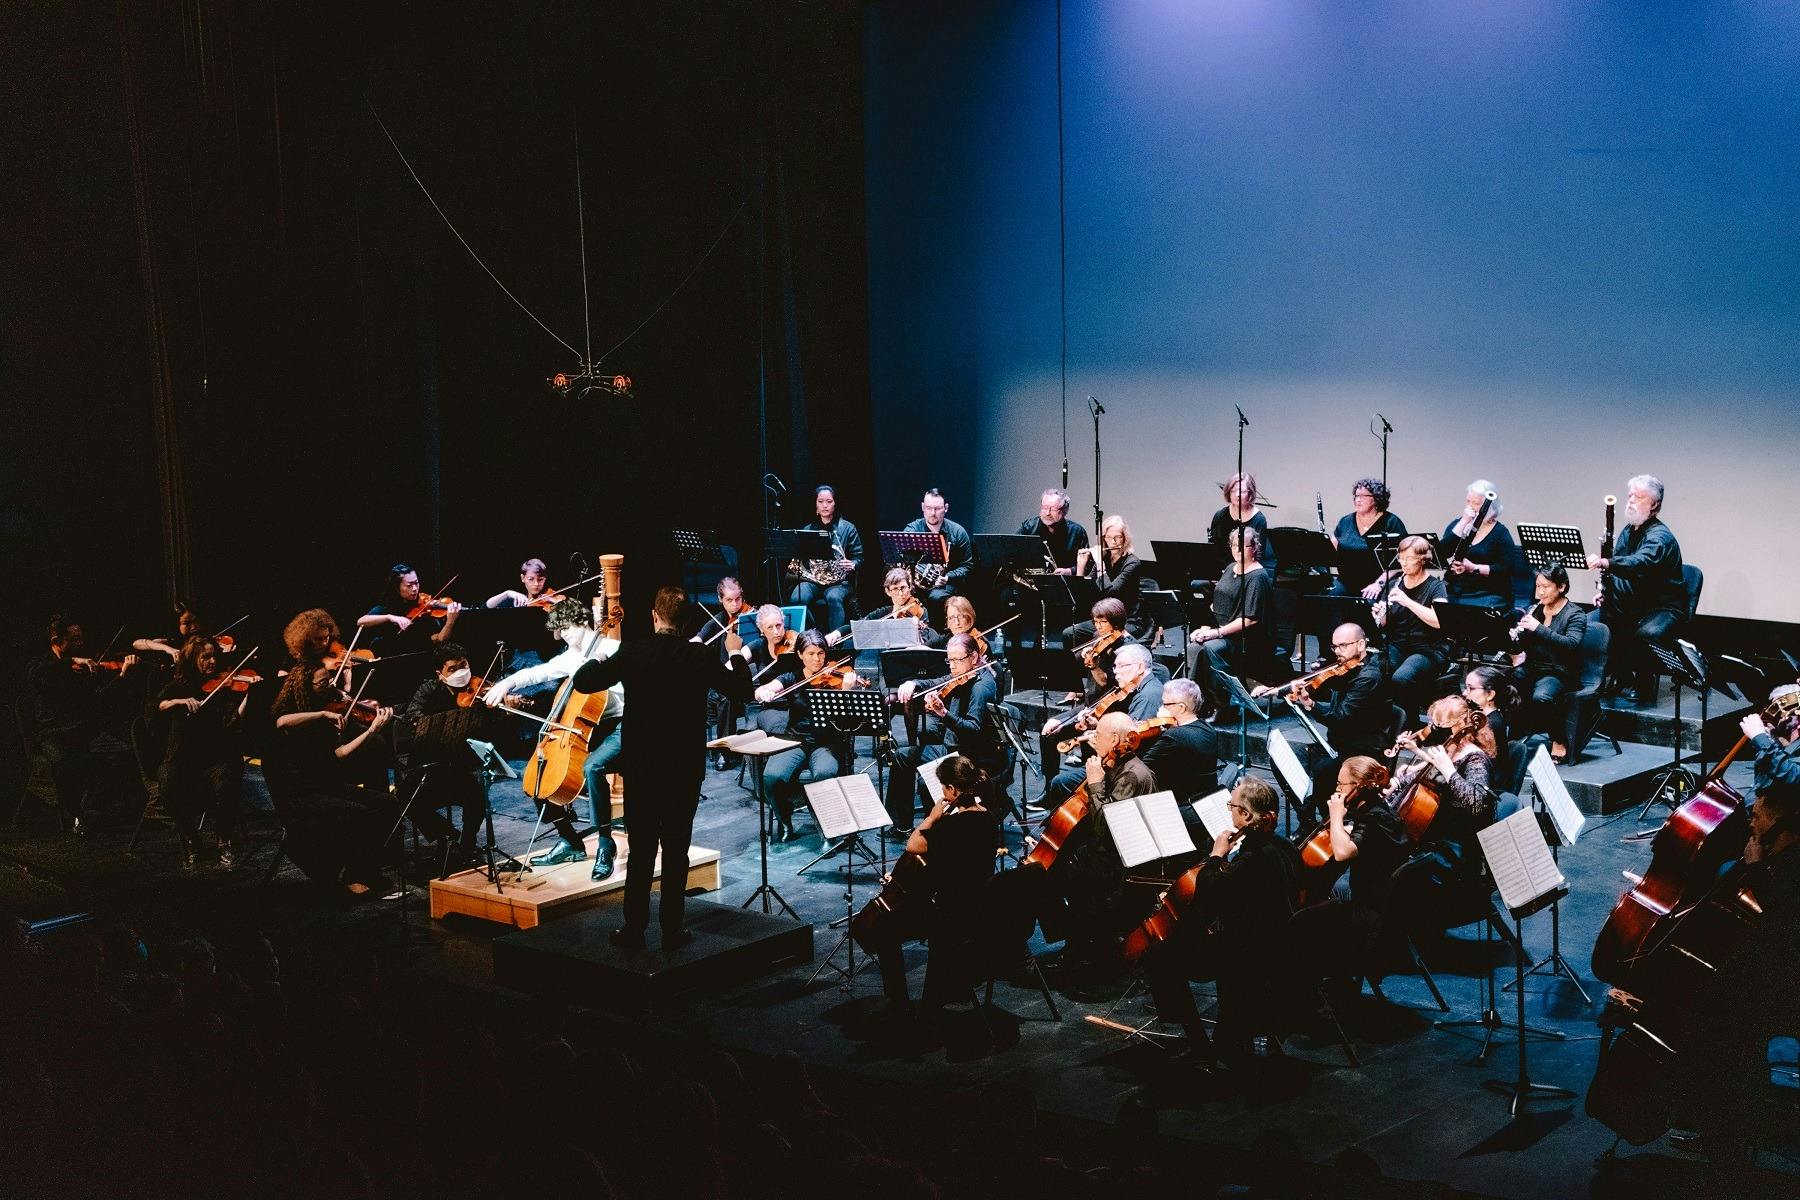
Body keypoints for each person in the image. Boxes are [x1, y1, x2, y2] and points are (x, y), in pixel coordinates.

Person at [568, 585, 753, 951]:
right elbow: (742, 690)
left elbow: (583, 681)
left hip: (642, 767)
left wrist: (600, 655)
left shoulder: (633, 651)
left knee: (641, 850)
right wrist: (735, 652)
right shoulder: (699, 656)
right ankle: (672, 930)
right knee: (676, 848)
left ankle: (634, 929)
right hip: (683, 768)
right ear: (686, 622)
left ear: (654, 616)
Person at [1139, 775, 1302, 1067]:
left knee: (1159, 955)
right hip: (1278, 942)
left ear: (1247, 815)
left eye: (1232, 806)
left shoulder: (1253, 858)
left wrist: (1215, 856)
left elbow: (1212, 892)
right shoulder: (1283, 846)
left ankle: (1199, 1043)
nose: (1229, 810)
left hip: (1247, 954)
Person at [481, 598, 623, 880]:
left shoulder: (611, 649)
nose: (562, 635)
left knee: (593, 767)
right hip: (586, 727)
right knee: (540, 769)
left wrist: (597, 665)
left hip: (619, 725)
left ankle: (606, 843)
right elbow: (539, 672)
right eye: (559, 630)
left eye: (566, 628)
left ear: (583, 622)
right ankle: (569, 840)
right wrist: (506, 683)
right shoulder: (571, 656)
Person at [864, 755, 999, 1018]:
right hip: (980, 908)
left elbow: (913, 845)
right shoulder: (988, 818)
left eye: (943, 788)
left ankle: (899, 1004)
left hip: (950, 916)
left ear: (953, 789)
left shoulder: (951, 825)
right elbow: (951, 865)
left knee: (885, 929)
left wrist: (931, 817)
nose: (942, 794)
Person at [265, 659, 400, 898]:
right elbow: (281, 722)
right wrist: (322, 714)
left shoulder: (330, 710)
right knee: (356, 813)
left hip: (326, 784)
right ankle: (351, 877)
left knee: (386, 803)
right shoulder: (292, 711)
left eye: (329, 680)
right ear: (305, 686)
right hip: (299, 793)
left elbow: (339, 754)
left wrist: (371, 732)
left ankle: (362, 871)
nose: (330, 686)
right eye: (323, 683)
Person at [1285, 757, 1406, 993]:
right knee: (1323, 888)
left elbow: (1342, 853)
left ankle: (1314, 982)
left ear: (1359, 787)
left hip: (1371, 909)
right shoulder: (1377, 809)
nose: (1337, 789)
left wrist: (1337, 817)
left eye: (1341, 784)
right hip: (1383, 898)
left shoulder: (1373, 817)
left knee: (1300, 921)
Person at [1382, 695, 1497, 942]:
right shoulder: (1450, 747)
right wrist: (1396, 783)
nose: (1434, 732)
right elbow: (1426, 777)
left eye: (1441, 727)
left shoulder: (1475, 758)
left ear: (1460, 726)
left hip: (1454, 848)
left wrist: (1448, 769)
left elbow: (1476, 804)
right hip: (1435, 832)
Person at [1257, 623, 1391, 823]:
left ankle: (1326, 822)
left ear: (1361, 644)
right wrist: (1277, 690)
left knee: (1323, 770)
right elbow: (1319, 684)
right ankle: (1309, 817)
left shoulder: (1369, 677)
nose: (1337, 651)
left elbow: (1340, 717)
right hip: (1340, 743)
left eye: (1343, 646)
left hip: (1361, 749)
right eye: (1334, 646)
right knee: (1281, 761)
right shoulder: (1348, 668)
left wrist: (1310, 705)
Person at [21, 616, 141, 837]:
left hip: (84, 731)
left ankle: (90, 807)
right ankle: (75, 814)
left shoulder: (83, 669)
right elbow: (35, 674)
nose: (80, 644)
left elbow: (99, 700)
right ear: (56, 641)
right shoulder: (42, 665)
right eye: (74, 640)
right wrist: (71, 661)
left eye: (80, 639)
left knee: (125, 754)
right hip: (53, 734)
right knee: (65, 761)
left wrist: (122, 675)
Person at [884, 634, 1004, 833]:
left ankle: (937, 832)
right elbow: (938, 681)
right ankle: (902, 826)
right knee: (902, 756)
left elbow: (973, 730)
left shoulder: (981, 688)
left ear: (974, 657)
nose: (952, 666)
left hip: (970, 755)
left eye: (957, 660)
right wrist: (913, 683)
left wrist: (944, 713)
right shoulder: (963, 674)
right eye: (949, 660)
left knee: (925, 780)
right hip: (952, 746)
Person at [748, 630, 858, 841]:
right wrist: (763, 692)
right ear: (800, 654)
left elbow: (848, 720)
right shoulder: (792, 677)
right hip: (795, 741)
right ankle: (785, 821)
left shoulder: (838, 677)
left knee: (824, 773)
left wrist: (846, 692)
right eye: (811, 654)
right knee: (772, 776)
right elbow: (766, 688)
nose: (817, 659)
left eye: (821, 653)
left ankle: (827, 830)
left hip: (827, 743)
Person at [1587, 474, 1686, 703]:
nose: (1631, 500)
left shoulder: (1660, 537)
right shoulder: (1629, 530)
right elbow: (1621, 570)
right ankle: (1620, 676)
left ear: (1654, 505)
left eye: (1639, 497)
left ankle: (1644, 685)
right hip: (1636, 600)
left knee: (1645, 633)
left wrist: (1606, 562)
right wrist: (1606, 592)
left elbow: (1640, 563)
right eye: (1630, 495)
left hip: (1662, 607)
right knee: (1594, 622)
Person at [153, 635, 249, 868]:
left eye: (214, 656)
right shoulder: (178, 686)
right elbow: (156, 706)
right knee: (169, 782)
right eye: (205, 657)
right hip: (182, 756)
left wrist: (249, 697)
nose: (212, 661)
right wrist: (178, 702)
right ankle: (191, 838)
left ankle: (224, 839)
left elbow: (232, 722)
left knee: (227, 779)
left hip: (216, 756)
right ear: (191, 659)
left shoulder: (224, 689)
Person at [1038, 642, 1162, 813]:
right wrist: (1097, 726)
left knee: (1061, 782)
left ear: (1140, 667)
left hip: (1127, 769)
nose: (1115, 671)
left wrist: (1098, 738)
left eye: (1121, 666)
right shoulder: (1137, 689)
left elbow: (1129, 742)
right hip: (1125, 763)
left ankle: (1085, 823)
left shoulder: (1147, 696)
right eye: (1115, 666)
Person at [397, 644, 491, 869]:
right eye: (452, 669)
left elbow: (491, 729)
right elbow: (413, 717)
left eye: (463, 665)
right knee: (406, 797)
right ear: (440, 674)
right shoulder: (429, 689)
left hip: (462, 762)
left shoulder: (478, 687)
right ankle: (446, 836)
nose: (461, 672)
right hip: (431, 763)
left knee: (477, 789)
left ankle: (467, 843)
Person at [1508, 563, 1588, 759]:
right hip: (1533, 666)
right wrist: (1515, 638)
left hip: (1559, 671)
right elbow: (1523, 647)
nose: (1540, 592)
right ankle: (1514, 737)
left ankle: (1558, 738)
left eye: (1546, 587)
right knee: (1506, 687)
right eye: (1538, 586)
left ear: (1561, 587)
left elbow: (1571, 644)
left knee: (1542, 697)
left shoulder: (1575, 614)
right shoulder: (1535, 610)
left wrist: (1538, 628)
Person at [358, 563, 464, 704]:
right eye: (409, 585)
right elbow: (361, 621)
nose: (415, 589)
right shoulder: (387, 605)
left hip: (419, 667)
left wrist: (450, 622)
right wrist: (390, 617)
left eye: (417, 583)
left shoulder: (426, 613)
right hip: (390, 668)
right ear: (397, 587)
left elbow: (440, 639)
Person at [1188, 526, 1277, 692]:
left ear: (1254, 548)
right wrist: (1205, 629)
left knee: (1210, 649)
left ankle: (1224, 699)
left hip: (1245, 640)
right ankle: (1197, 697)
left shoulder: (1258, 577)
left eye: (1243, 546)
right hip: (1224, 632)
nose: (1238, 550)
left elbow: (1249, 620)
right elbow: (1217, 604)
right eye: (1234, 545)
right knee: (1194, 647)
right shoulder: (1230, 568)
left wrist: (1216, 633)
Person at [1370, 535, 1449, 718]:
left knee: (1402, 678)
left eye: (1410, 558)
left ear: (1423, 559)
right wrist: (1380, 616)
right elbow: (1385, 624)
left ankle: (1409, 723)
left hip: (1428, 649)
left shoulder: (1436, 587)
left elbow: (1439, 621)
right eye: (1401, 558)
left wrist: (1407, 601)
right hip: (1398, 645)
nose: (1404, 563)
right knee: (1372, 672)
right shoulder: (1393, 584)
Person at [787, 484, 864, 634]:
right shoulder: (808, 529)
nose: (825, 505)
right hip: (813, 580)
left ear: (835, 504)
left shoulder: (848, 528)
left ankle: (835, 640)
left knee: (834, 597)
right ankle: (812, 635)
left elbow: (859, 557)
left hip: (840, 582)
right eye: (820, 501)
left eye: (829, 501)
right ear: (816, 505)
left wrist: (852, 564)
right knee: (797, 598)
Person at [1137, 678, 1225, 802]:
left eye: (1165, 704)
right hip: (1204, 797)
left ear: (1181, 707)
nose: (1161, 708)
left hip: (1179, 802)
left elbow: (1141, 770)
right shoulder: (1207, 728)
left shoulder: (1174, 736)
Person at [1440, 481, 1523, 610]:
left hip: (1487, 593)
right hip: (1455, 589)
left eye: (1476, 503)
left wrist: (1473, 568)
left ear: (1490, 506)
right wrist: (1463, 522)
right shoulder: (1458, 524)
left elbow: (1506, 569)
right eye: (1468, 501)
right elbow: (1442, 553)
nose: (1470, 507)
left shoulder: (1500, 533)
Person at [1067, 515, 1150, 643]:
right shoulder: (1104, 559)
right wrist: (1081, 565)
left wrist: (1100, 565)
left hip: (1127, 621)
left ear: (1125, 538)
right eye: (1109, 537)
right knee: (1069, 633)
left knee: (1099, 637)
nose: (1113, 542)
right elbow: (1083, 591)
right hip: (1104, 619)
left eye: (1118, 537)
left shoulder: (1132, 563)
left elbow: (1112, 593)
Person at [902, 488, 975, 624]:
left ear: (946, 508)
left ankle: (936, 633)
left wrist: (948, 577)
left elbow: (967, 566)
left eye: (937, 509)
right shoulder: (912, 530)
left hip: (946, 584)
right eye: (928, 508)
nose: (932, 513)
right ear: (922, 507)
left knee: (936, 597)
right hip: (917, 583)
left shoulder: (958, 532)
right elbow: (902, 559)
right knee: (899, 591)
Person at [1329, 478, 1408, 599]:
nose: (1358, 500)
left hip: (1379, 583)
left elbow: (1398, 562)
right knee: (1328, 598)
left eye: (1363, 496)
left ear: (1376, 498)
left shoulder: (1391, 522)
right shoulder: (1345, 521)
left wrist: (1379, 584)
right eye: (1356, 496)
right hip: (1346, 582)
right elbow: (1330, 551)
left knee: (1371, 603)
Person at [1208, 472, 1277, 576]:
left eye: (1242, 491)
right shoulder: (1220, 516)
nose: (1237, 495)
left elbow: (1257, 557)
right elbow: (1215, 549)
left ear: (1250, 493)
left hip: (1247, 571)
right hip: (1222, 570)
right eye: (1233, 490)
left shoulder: (1259, 519)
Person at [1017, 487, 1090, 574]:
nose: (1047, 513)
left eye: (1053, 509)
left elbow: (1088, 564)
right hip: (1032, 581)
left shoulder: (1077, 532)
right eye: (1044, 508)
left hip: (1065, 581)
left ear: (1065, 511)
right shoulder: (1029, 527)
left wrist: (1069, 571)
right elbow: (1012, 554)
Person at [1460, 665, 1515, 769]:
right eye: (1465, 687)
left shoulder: (1489, 725)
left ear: (1490, 694)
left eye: (1471, 688)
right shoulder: (1489, 716)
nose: (1464, 693)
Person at [484, 558, 554, 609]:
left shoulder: (552, 599)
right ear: (523, 578)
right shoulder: (516, 601)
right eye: (531, 579)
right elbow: (485, 607)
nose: (536, 584)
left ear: (545, 579)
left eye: (540, 579)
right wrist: (507, 593)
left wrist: (553, 601)